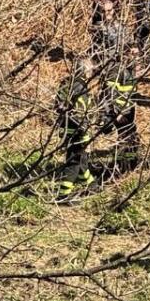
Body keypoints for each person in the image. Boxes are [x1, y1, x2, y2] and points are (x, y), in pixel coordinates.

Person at [54, 58, 97, 201]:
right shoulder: (80, 87)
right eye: (90, 69)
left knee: (82, 159)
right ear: (85, 71)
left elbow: (58, 106)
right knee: (74, 162)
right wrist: (85, 129)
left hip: (68, 128)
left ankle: (91, 186)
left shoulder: (66, 83)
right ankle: (63, 195)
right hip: (78, 130)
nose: (92, 72)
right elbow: (81, 112)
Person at [98, 44, 140, 175]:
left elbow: (131, 94)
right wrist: (116, 113)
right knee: (128, 138)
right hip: (118, 112)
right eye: (132, 54)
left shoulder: (131, 71)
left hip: (128, 111)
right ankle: (121, 168)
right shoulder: (116, 70)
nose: (135, 57)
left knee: (129, 138)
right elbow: (108, 93)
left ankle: (125, 167)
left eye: (137, 55)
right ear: (124, 54)